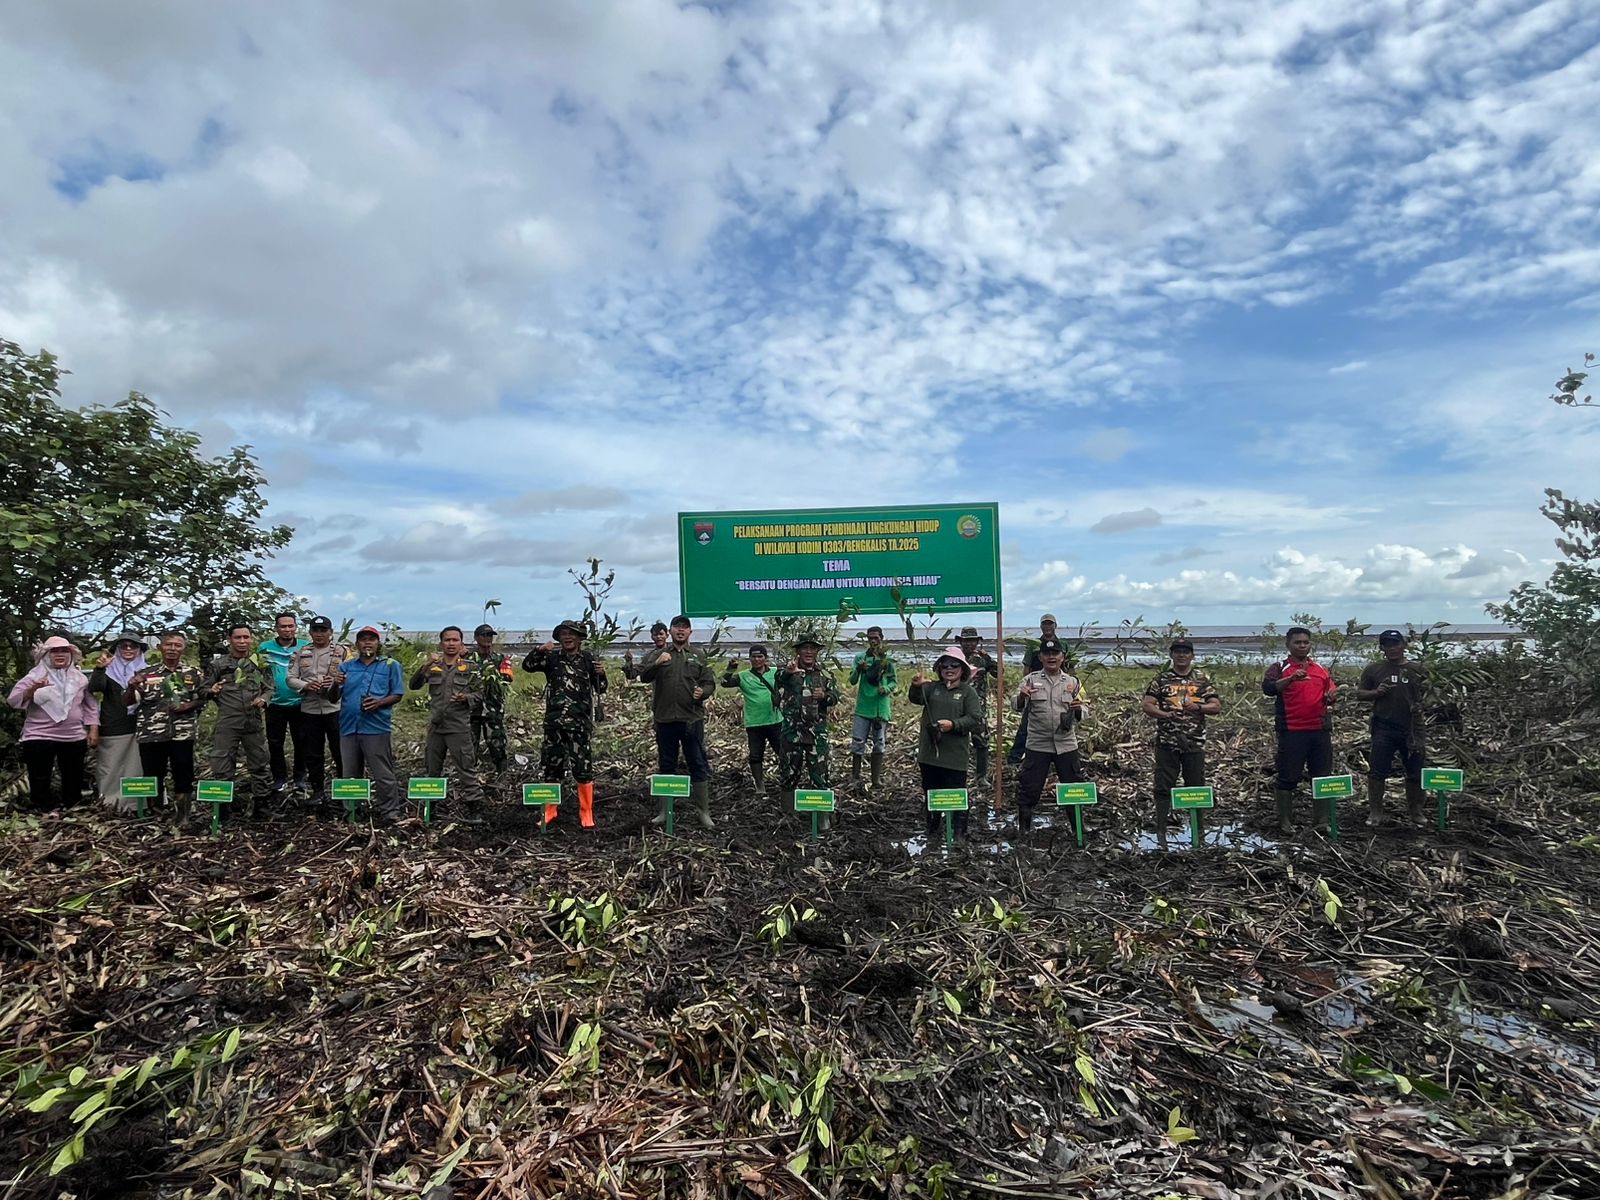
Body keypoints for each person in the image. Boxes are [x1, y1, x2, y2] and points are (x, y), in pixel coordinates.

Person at [522, 620, 607, 827]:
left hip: (579, 724)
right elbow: (528, 666)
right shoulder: (551, 658)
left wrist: (601, 674)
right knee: (552, 767)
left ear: (579, 638)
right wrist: (539, 649)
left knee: (583, 768)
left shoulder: (588, 659)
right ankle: (550, 811)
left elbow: (601, 688)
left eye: (572, 634)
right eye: (563, 634)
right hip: (554, 723)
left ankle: (586, 812)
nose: (567, 637)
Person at [1141, 638, 1222, 846]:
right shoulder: (1161, 679)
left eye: (1186, 652)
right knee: (1162, 786)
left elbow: (1216, 706)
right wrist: (1165, 715)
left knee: (1196, 786)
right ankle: (1161, 830)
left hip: (1194, 743)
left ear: (1192, 655)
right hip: (1167, 742)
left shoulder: (1202, 680)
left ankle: (1198, 830)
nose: (1182, 655)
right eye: (1178, 651)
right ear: (1172, 655)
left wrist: (1199, 708)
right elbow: (1147, 705)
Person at [638, 615, 717, 829]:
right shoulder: (659, 654)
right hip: (665, 719)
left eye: (685, 628)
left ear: (690, 632)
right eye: (676, 627)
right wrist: (656, 663)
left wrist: (704, 692)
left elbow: (710, 682)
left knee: (697, 764)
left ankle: (703, 812)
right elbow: (643, 676)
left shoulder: (699, 655)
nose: (680, 631)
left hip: (691, 719)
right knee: (666, 764)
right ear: (670, 632)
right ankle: (665, 811)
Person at [7, 635, 99, 809]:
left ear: (71, 655)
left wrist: (93, 728)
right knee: (39, 776)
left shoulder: (80, 679)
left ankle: (71, 807)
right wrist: (33, 689)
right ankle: (43, 809)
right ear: (46, 655)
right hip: (39, 735)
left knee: (73, 775)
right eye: (55, 651)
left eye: (64, 650)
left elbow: (90, 705)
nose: (60, 654)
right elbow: (13, 701)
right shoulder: (33, 677)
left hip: (73, 736)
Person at [1262, 626, 1338, 833]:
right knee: (1287, 776)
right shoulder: (1280, 667)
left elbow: (1330, 687)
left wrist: (1332, 695)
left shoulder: (1320, 668)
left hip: (1319, 730)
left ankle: (1321, 820)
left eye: (1306, 642)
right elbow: (1268, 689)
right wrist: (1291, 679)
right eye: (1298, 642)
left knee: (1322, 775)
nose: (1302, 646)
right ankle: (1285, 821)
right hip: (1292, 730)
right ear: (1288, 645)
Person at [1013, 637, 1090, 832]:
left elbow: (1086, 712)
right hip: (1037, 745)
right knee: (1029, 789)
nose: (1051, 657)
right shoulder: (1030, 680)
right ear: (1040, 657)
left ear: (1062, 657)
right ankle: (1024, 830)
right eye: (1046, 654)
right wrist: (1022, 696)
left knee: (1074, 789)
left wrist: (1079, 708)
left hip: (1066, 745)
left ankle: (1077, 829)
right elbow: (1014, 705)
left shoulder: (1074, 682)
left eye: (1055, 654)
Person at [126, 630, 205, 817]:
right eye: (168, 644)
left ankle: (182, 816)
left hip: (182, 733)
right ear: (160, 647)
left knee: (183, 774)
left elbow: (203, 698)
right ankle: (155, 814)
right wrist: (131, 687)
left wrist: (188, 706)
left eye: (177, 645)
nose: (172, 649)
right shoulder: (145, 673)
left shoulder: (193, 673)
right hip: (152, 733)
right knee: (153, 775)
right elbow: (128, 702)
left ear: (183, 649)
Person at [411, 626, 486, 819]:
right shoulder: (433, 666)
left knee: (466, 769)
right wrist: (426, 666)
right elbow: (414, 685)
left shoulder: (470, 668)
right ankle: (432, 808)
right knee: (432, 770)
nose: (451, 644)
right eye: (447, 640)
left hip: (458, 727)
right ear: (441, 643)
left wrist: (466, 698)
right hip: (436, 727)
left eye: (455, 640)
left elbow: (480, 694)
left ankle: (474, 807)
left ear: (461, 642)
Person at [200, 624, 274, 818]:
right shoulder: (219, 665)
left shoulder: (260, 663)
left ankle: (262, 806)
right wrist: (212, 690)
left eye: (246, 637)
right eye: (238, 638)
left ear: (251, 639)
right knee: (222, 764)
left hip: (253, 720)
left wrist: (264, 700)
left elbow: (269, 688)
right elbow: (203, 690)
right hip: (228, 721)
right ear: (230, 639)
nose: (242, 642)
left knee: (260, 762)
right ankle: (224, 808)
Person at [1356, 630, 1428, 827]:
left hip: (1413, 728)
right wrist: (1376, 693)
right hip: (1383, 727)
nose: (1392, 648)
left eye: (1396, 644)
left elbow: (1431, 695)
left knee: (1415, 771)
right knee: (1377, 771)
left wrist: (1422, 705)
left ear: (1404, 645)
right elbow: (1360, 694)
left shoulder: (1418, 669)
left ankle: (1416, 811)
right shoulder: (1374, 670)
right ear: (1382, 648)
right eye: (1387, 645)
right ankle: (1376, 812)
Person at [908, 646, 982, 839]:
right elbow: (915, 699)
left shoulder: (968, 692)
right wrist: (916, 685)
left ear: (962, 669)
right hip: (929, 754)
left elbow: (975, 718)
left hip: (955, 756)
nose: (949, 669)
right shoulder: (932, 688)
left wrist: (953, 725)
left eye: (954, 665)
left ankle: (958, 833)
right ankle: (932, 830)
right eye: (945, 665)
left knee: (956, 794)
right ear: (939, 668)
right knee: (931, 793)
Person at [339, 626, 406, 822]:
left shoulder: (390, 665)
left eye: (372, 639)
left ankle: (389, 812)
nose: (367, 642)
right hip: (348, 726)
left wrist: (379, 703)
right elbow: (333, 696)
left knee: (382, 772)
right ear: (357, 644)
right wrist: (334, 683)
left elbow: (398, 694)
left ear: (378, 643)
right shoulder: (347, 667)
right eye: (363, 639)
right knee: (350, 773)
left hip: (376, 727)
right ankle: (352, 811)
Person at [777, 635, 841, 812]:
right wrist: (789, 672)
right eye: (804, 648)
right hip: (792, 733)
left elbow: (836, 696)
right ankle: (788, 816)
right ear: (797, 651)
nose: (808, 652)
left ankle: (822, 819)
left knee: (820, 776)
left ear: (817, 651)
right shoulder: (788, 671)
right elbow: (778, 681)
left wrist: (825, 697)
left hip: (816, 734)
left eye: (812, 648)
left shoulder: (825, 674)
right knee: (788, 775)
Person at [287, 616, 346, 810]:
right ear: (310, 632)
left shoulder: (342, 652)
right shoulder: (300, 653)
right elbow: (290, 678)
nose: (320, 634)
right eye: (316, 630)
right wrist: (307, 684)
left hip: (335, 709)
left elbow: (352, 673)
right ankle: (318, 791)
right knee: (312, 753)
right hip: (309, 709)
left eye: (323, 630)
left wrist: (336, 682)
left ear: (331, 632)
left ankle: (344, 791)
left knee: (340, 751)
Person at [86, 632, 147, 811]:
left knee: (136, 767)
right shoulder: (109, 671)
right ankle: (110, 802)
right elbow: (95, 688)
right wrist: (100, 669)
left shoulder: (148, 670)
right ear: (117, 649)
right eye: (124, 646)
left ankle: (137, 804)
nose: (128, 649)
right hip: (113, 726)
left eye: (133, 646)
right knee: (110, 767)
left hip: (140, 726)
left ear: (139, 650)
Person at [721, 644, 783, 798]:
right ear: (749, 659)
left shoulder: (775, 673)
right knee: (756, 756)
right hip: (754, 723)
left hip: (775, 720)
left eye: (760, 656)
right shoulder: (743, 676)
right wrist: (730, 668)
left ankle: (786, 782)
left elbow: (791, 680)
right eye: (754, 657)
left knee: (783, 753)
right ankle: (760, 786)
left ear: (765, 658)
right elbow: (724, 682)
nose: (757, 659)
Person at [260, 612, 309, 800]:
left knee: (301, 742)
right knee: (275, 743)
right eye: (283, 626)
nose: (287, 629)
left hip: (300, 703)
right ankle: (279, 778)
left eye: (291, 626)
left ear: (296, 627)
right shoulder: (265, 648)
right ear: (276, 628)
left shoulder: (306, 646)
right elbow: (259, 674)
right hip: (274, 703)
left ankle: (299, 779)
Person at [848, 626, 896, 795]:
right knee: (858, 742)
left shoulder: (887, 660)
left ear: (881, 638)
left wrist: (886, 689)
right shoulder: (861, 658)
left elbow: (893, 682)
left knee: (879, 743)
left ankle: (875, 780)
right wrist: (859, 669)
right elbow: (852, 680)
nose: (873, 641)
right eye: (870, 638)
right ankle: (855, 777)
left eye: (876, 638)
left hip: (880, 707)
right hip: (863, 706)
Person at [1007, 613, 1060, 765]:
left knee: (1060, 720)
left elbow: (1070, 668)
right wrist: (1026, 686)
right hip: (1036, 686)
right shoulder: (1034, 644)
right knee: (1027, 723)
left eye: (1050, 624)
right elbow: (1027, 666)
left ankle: (1057, 757)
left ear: (1055, 625)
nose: (1047, 627)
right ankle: (1015, 757)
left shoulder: (1063, 645)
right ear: (1041, 626)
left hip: (1058, 685)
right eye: (1045, 624)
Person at [467, 623, 514, 771]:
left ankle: (502, 776)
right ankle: (470, 779)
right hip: (471, 709)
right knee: (469, 746)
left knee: (497, 744)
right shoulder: (468, 660)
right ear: (476, 637)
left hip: (493, 709)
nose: (487, 638)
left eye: (490, 635)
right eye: (484, 635)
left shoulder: (500, 659)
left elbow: (507, 680)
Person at [957, 626, 999, 791]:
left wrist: (989, 659)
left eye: (972, 640)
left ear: (977, 642)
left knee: (981, 741)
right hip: (957, 707)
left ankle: (981, 777)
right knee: (957, 743)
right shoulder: (955, 658)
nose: (969, 644)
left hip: (977, 708)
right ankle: (959, 776)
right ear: (961, 642)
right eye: (966, 641)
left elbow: (999, 673)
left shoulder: (982, 659)